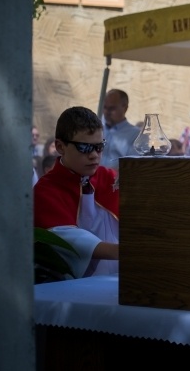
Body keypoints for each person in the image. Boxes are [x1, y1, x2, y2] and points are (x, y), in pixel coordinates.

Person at [33, 106, 119, 278]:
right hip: (72, 286)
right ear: (60, 146)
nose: (94, 155)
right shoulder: (45, 190)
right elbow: (71, 241)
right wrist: (134, 252)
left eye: (99, 146)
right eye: (85, 148)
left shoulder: (110, 178)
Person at [101, 89, 140, 169]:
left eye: (112, 108)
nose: (107, 112)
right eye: (105, 107)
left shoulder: (136, 135)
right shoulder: (96, 130)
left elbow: (133, 166)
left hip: (117, 180)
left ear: (124, 108)